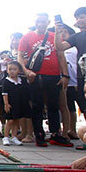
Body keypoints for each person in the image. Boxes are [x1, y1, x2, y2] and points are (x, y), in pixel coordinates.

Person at [17, 14, 72, 147]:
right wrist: (26, 71)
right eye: (38, 21)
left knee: (54, 105)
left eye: (43, 21)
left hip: (53, 75)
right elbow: (20, 56)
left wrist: (65, 75)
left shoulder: (54, 35)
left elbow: (60, 55)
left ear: (48, 22)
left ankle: (55, 133)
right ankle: (39, 134)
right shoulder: (28, 36)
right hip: (35, 76)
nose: (40, 24)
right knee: (37, 105)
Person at [0, 61, 30, 146]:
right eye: (10, 69)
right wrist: (6, 104)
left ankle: (14, 136)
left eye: (14, 69)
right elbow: (5, 94)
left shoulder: (21, 81)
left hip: (19, 103)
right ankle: (5, 137)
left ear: (19, 71)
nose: (12, 71)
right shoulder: (6, 81)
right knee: (10, 121)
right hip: (10, 103)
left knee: (17, 120)